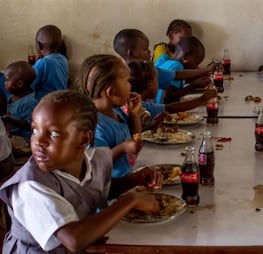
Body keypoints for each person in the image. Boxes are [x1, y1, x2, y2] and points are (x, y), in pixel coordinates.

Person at [0, 90, 161, 253]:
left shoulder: (94, 160)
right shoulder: (30, 185)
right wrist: (131, 200)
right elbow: (74, 240)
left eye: (53, 133)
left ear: (84, 139)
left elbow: (92, 193)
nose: (38, 141)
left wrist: (133, 180)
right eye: (35, 130)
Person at [77, 54, 148, 178]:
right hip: (111, 187)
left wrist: (133, 114)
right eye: (127, 82)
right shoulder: (95, 124)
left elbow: (134, 137)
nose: (130, 86)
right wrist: (122, 149)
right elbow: (95, 162)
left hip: (128, 176)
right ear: (111, 91)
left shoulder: (117, 111)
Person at [113, 29, 215, 97]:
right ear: (131, 53)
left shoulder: (119, 72)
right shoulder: (143, 73)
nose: (149, 52)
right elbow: (176, 75)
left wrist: (204, 71)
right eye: (145, 49)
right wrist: (204, 73)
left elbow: (175, 74)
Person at [128, 60, 217, 119]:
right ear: (150, 85)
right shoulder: (139, 106)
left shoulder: (134, 102)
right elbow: (170, 108)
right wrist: (202, 99)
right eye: (157, 81)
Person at [155, 35, 210, 104]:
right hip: (163, 109)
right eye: (196, 63)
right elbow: (170, 97)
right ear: (185, 58)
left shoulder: (164, 59)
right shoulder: (177, 66)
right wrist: (193, 86)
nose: (196, 67)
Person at [1, 61, 37, 144]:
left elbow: (30, 124)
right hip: (13, 133)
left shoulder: (28, 102)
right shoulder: (13, 95)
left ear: (19, 84)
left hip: (24, 139)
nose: (5, 83)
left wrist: (10, 120)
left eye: (7, 80)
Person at [30, 25, 69, 101]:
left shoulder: (43, 62)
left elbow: (30, 85)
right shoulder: (63, 59)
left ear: (39, 45)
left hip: (45, 103)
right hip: (62, 100)